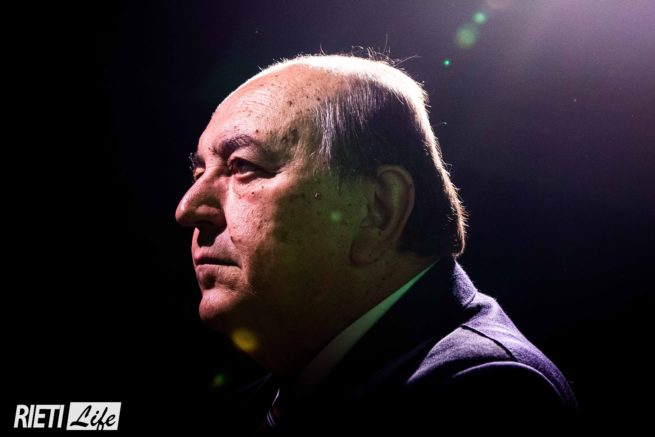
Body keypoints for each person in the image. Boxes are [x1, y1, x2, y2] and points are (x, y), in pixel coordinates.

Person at [175, 53, 577, 435]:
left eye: (243, 166)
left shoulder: (487, 395)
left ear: (378, 210)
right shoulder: (266, 399)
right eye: (198, 173)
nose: (188, 209)